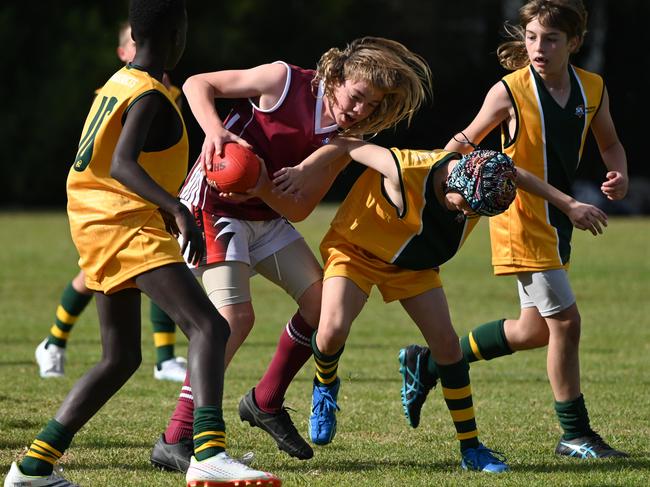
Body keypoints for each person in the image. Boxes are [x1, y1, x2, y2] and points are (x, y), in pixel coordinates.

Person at [4, 1, 281, 486]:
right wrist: (176, 210)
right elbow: (123, 166)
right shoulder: (150, 94)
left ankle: (32, 467)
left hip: (97, 224)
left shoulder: (118, 82)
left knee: (120, 357)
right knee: (210, 328)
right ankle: (209, 452)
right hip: (123, 224)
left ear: (135, 32)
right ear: (177, 34)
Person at [150, 37, 433, 472]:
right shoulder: (283, 82)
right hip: (211, 206)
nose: (359, 111)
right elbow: (196, 84)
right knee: (233, 320)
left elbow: (299, 208)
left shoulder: (344, 138)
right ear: (336, 77)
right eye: (357, 97)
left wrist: (263, 185)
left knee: (324, 307)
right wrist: (214, 130)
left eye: (371, 107)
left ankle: (265, 401)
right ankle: (176, 436)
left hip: (265, 216)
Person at [398, 0, 629, 459]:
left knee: (534, 331)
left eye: (551, 39)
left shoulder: (593, 88)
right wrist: (446, 183)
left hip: (559, 220)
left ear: (574, 43)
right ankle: (575, 434)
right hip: (521, 220)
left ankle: (430, 364)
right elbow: (461, 143)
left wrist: (617, 174)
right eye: (532, 37)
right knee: (566, 322)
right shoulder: (509, 91)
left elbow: (611, 143)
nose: (539, 48)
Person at [273, 137, 518, 472]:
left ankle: (472, 448)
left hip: (413, 263)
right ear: (454, 180)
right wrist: (304, 169)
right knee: (331, 330)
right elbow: (346, 145)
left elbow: (519, 176)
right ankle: (325, 385)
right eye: (466, 206)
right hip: (358, 250)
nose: (468, 214)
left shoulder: (485, 182)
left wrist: (566, 203)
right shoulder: (404, 169)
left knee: (447, 346)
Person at [35, 21, 187, 383]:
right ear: (124, 52)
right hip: (115, 207)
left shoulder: (168, 91)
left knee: (164, 266)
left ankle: (164, 357)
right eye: (132, 46)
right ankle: (54, 342)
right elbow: (115, 158)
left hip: (143, 202)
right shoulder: (125, 89)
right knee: (93, 278)